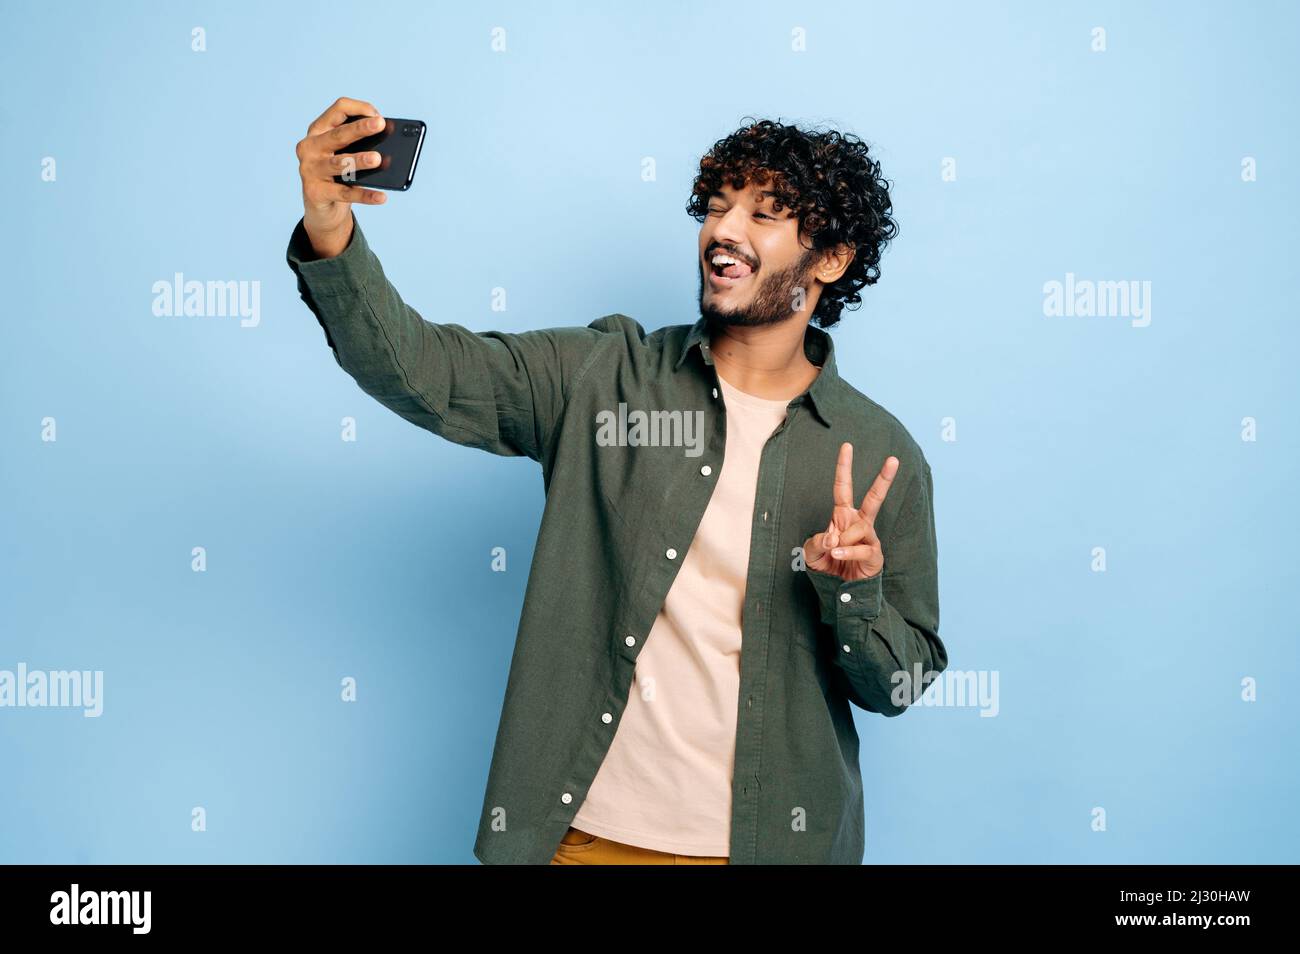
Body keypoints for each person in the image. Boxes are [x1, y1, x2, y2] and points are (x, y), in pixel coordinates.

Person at [286, 98, 947, 865]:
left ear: (829, 259)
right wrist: (331, 229)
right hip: (587, 841)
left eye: (764, 214)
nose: (724, 232)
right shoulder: (603, 378)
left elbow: (899, 685)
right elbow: (422, 372)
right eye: (717, 207)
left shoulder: (878, 453)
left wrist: (853, 591)